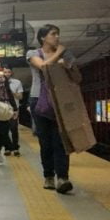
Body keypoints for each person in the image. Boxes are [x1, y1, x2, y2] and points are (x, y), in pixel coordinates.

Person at [27, 24, 77, 194]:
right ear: (43, 38)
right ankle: (48, 175)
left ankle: (62, 178)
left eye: (58, 34)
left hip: (60, 101)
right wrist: (58, 55)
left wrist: (66, 61)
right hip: (39, 101)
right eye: (53, 34)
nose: (57, 37)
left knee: (61, 140)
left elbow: (76, 76)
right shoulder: (32, 54)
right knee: (45, 142)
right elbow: (43, 67)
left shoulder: (67, 55)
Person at [3, 67, 23, 156]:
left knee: (14, 128)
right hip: (3, 109)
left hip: (14, 109)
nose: (7, 74)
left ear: (11, 73)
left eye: (8, 72)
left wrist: (11, 92)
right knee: (4, 129)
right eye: (5, 72)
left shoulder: (17, 82)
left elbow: (20, 97)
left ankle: (15, 147)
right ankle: (7, 148)